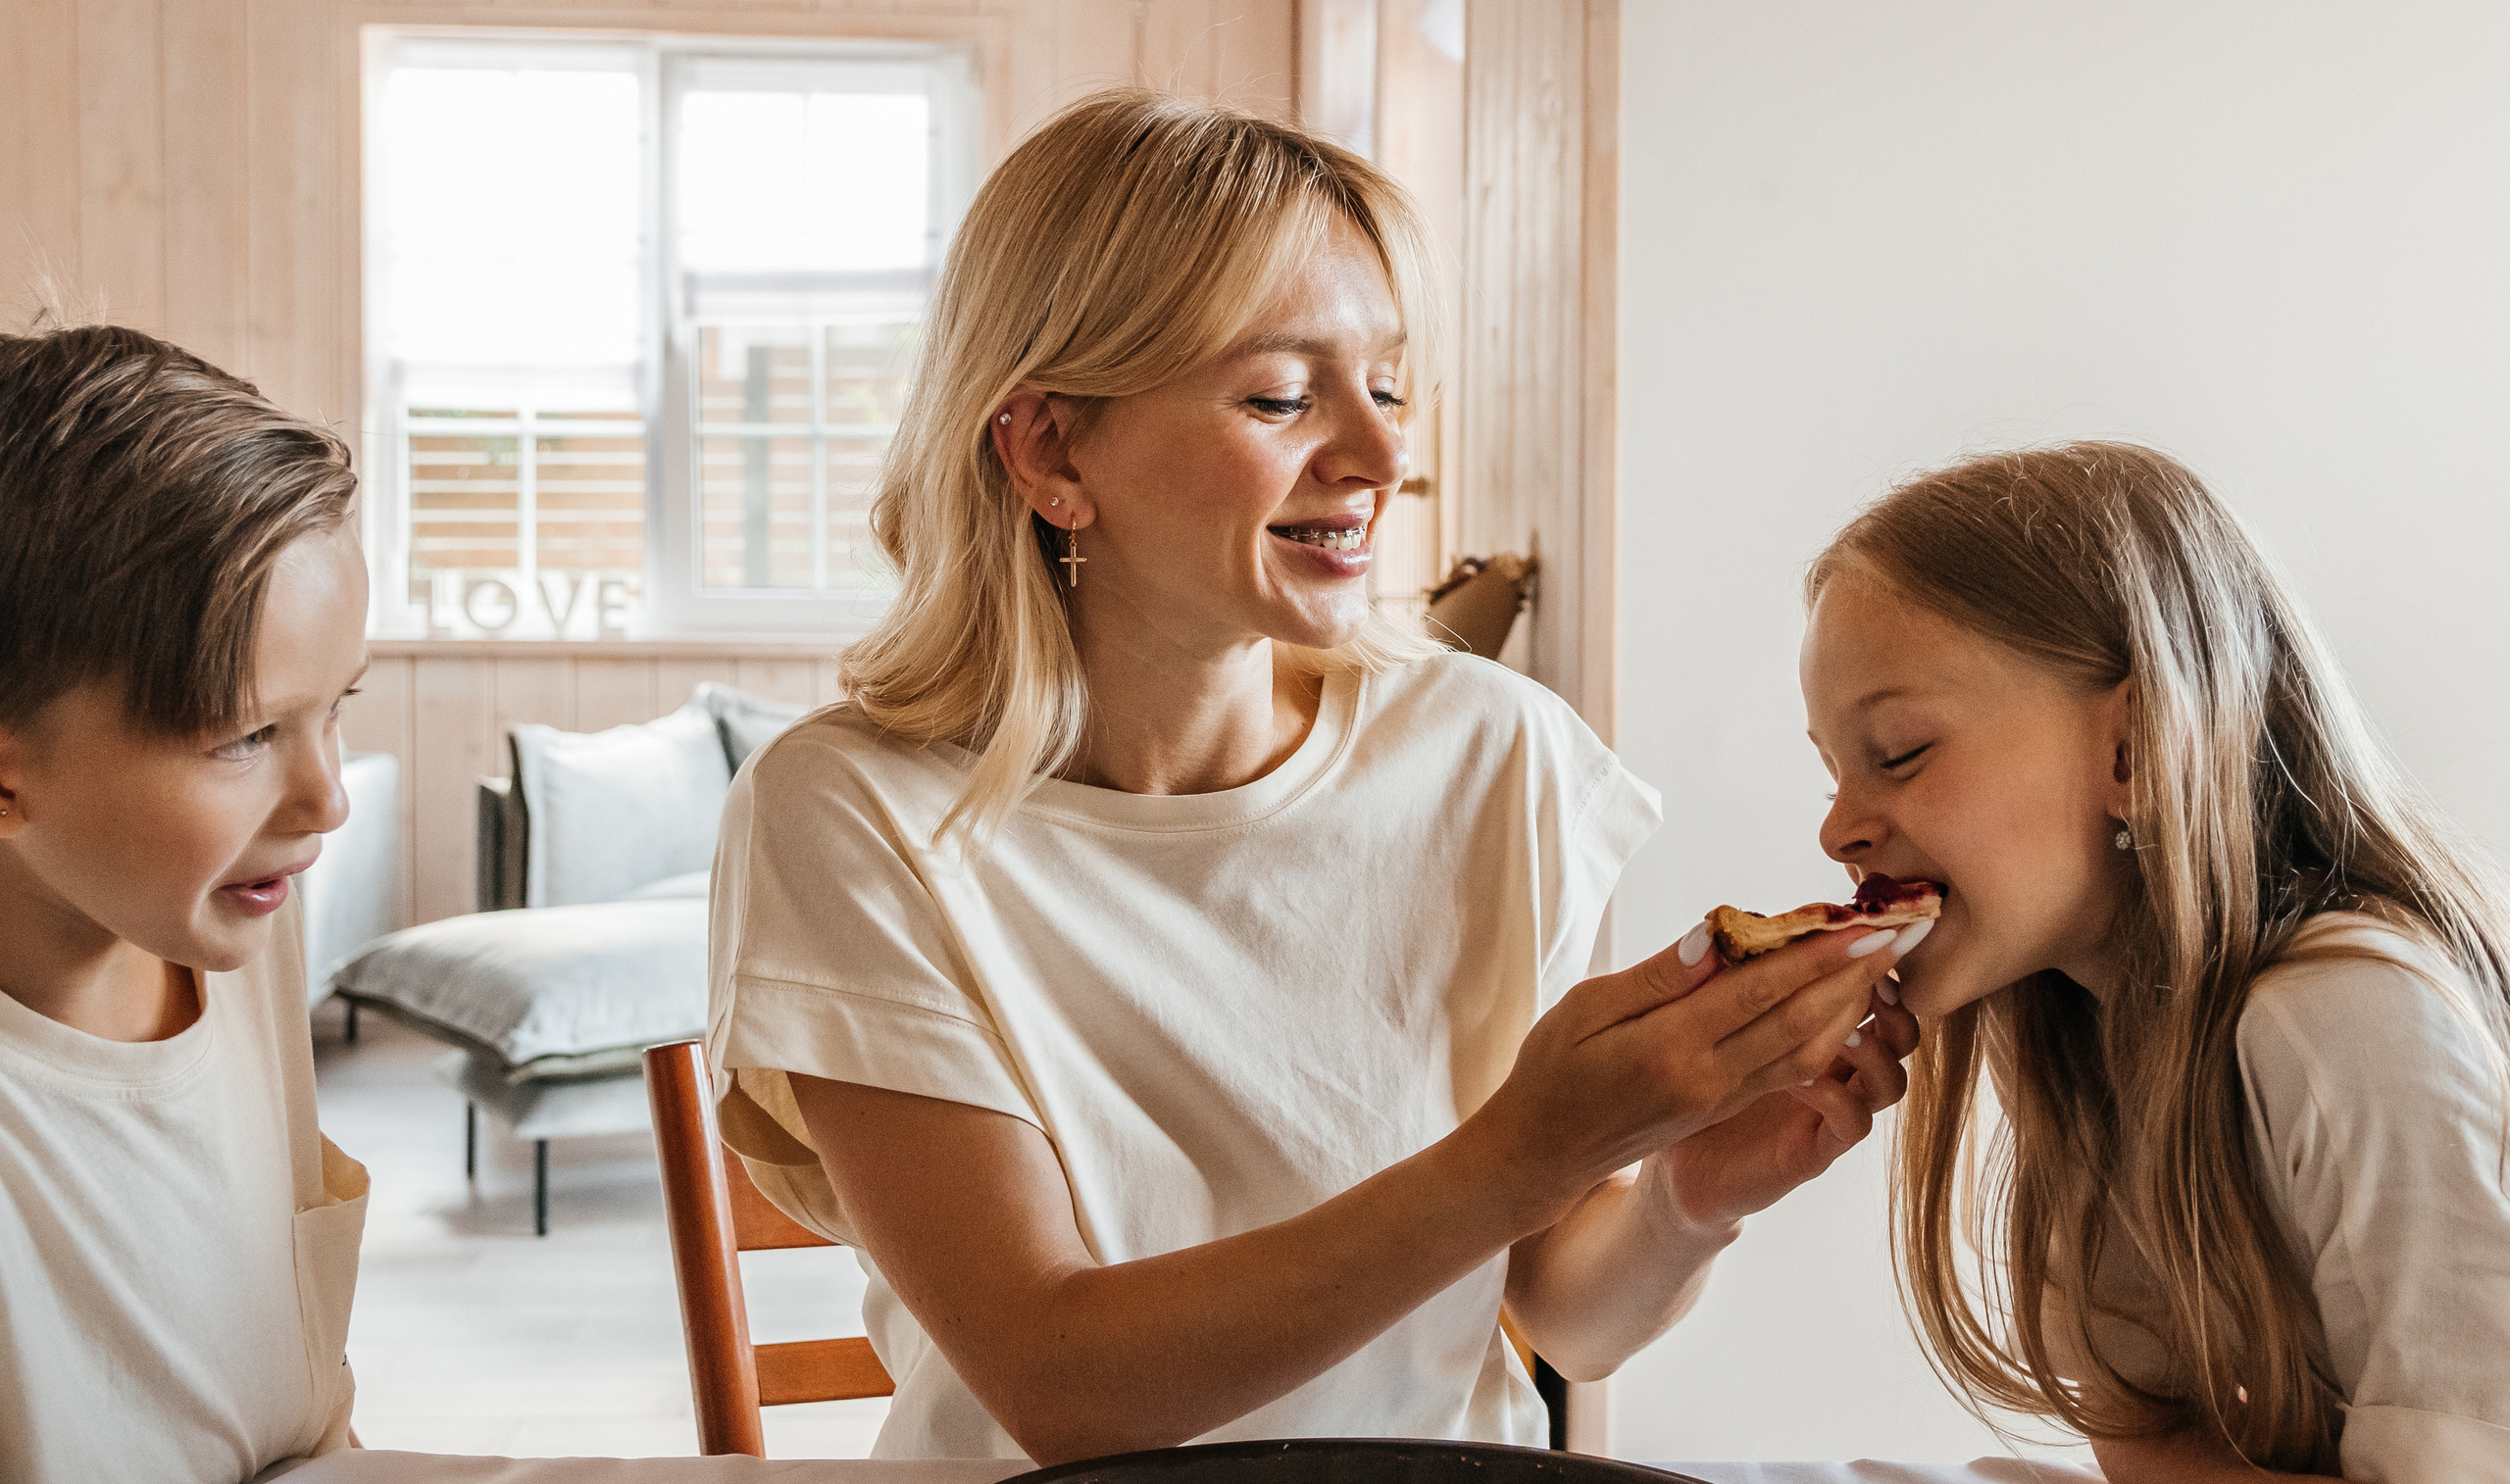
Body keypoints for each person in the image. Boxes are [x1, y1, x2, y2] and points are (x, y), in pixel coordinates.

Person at [706, 90, 1929, 1462]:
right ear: (1051, 449)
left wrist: (1688, 1198)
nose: (1385, 456)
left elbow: (1567, 1315)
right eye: (1282, 394)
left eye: (1390, 385)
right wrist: (1522, 1150)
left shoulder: (1497, 754)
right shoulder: (853, 816)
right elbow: (1058, 1382)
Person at [1798, 442, 2510, 1483]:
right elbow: (2150, 1444)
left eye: (1898, 752)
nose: (1837, 832)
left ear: (2133, 750)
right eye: (1828, 771)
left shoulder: (2343, 1020)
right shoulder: (2086, 1040)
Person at [0, 323, 372, 1482]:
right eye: (244, 737)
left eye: (336, 709)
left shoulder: (243, 926)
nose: (326, 801)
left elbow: (301, 1427)